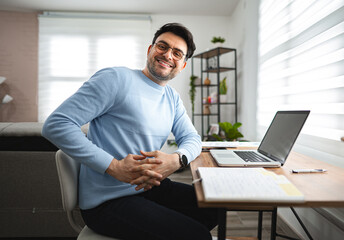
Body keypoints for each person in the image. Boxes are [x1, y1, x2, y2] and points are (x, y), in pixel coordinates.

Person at [42, 23, 218, 240]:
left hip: (149, 188)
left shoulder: (171, 98)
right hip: (107, 200)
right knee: (197, 235)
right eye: (162, 46)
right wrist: (113, 166)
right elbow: (56, 124)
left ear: (182, 65)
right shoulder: (116, 79)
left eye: (177, 53)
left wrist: (177, 160)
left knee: (215, 207)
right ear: (150, 50)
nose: (167, 55)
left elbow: (192, 138)